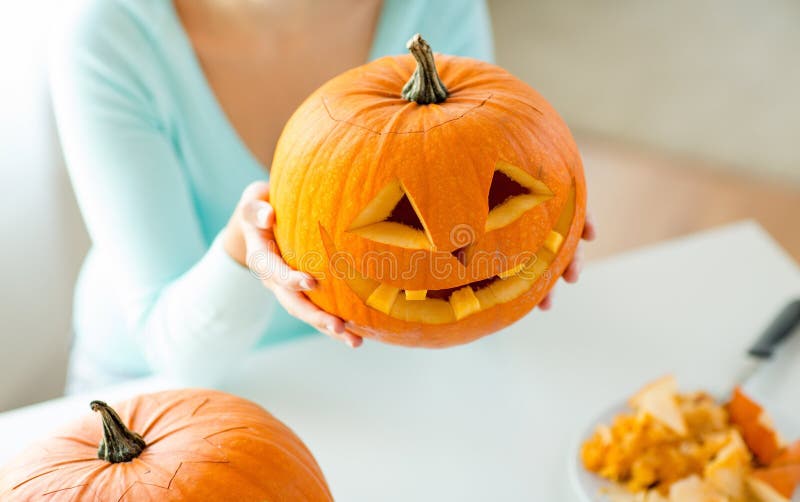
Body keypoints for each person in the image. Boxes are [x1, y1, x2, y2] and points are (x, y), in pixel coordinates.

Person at [50, 0, 596, 393]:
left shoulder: (437, 7)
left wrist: (537, 203)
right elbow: (180, 358)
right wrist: (249, 250)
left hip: (380, 364)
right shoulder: (107, 35)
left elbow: (472, 169)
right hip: (159, 382)